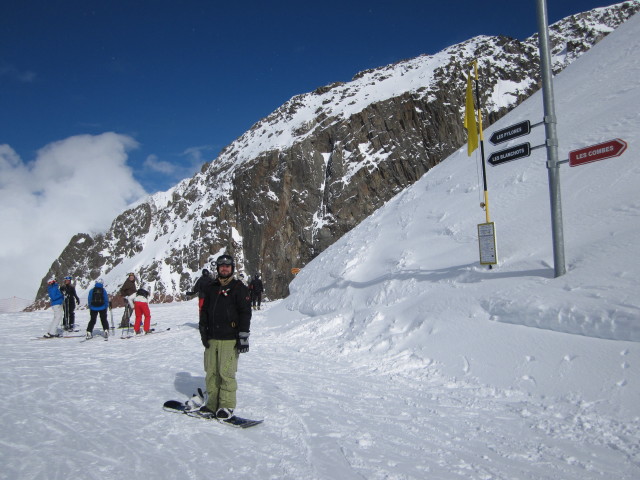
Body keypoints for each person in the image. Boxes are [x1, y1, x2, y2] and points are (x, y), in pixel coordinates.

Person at [198, 254, 252, 420]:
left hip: (230, 339)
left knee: (226, 373)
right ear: (218, 268)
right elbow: (205, 311)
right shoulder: (212, 287)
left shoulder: (239, 288)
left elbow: (245, 313)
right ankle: (212, 404)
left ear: (232, 269)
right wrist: (203, 331)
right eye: (221, 266)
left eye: (227, 266)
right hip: (212, 338)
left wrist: (243, 337)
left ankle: (226, 406)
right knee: (211, 373)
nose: (224, 268)